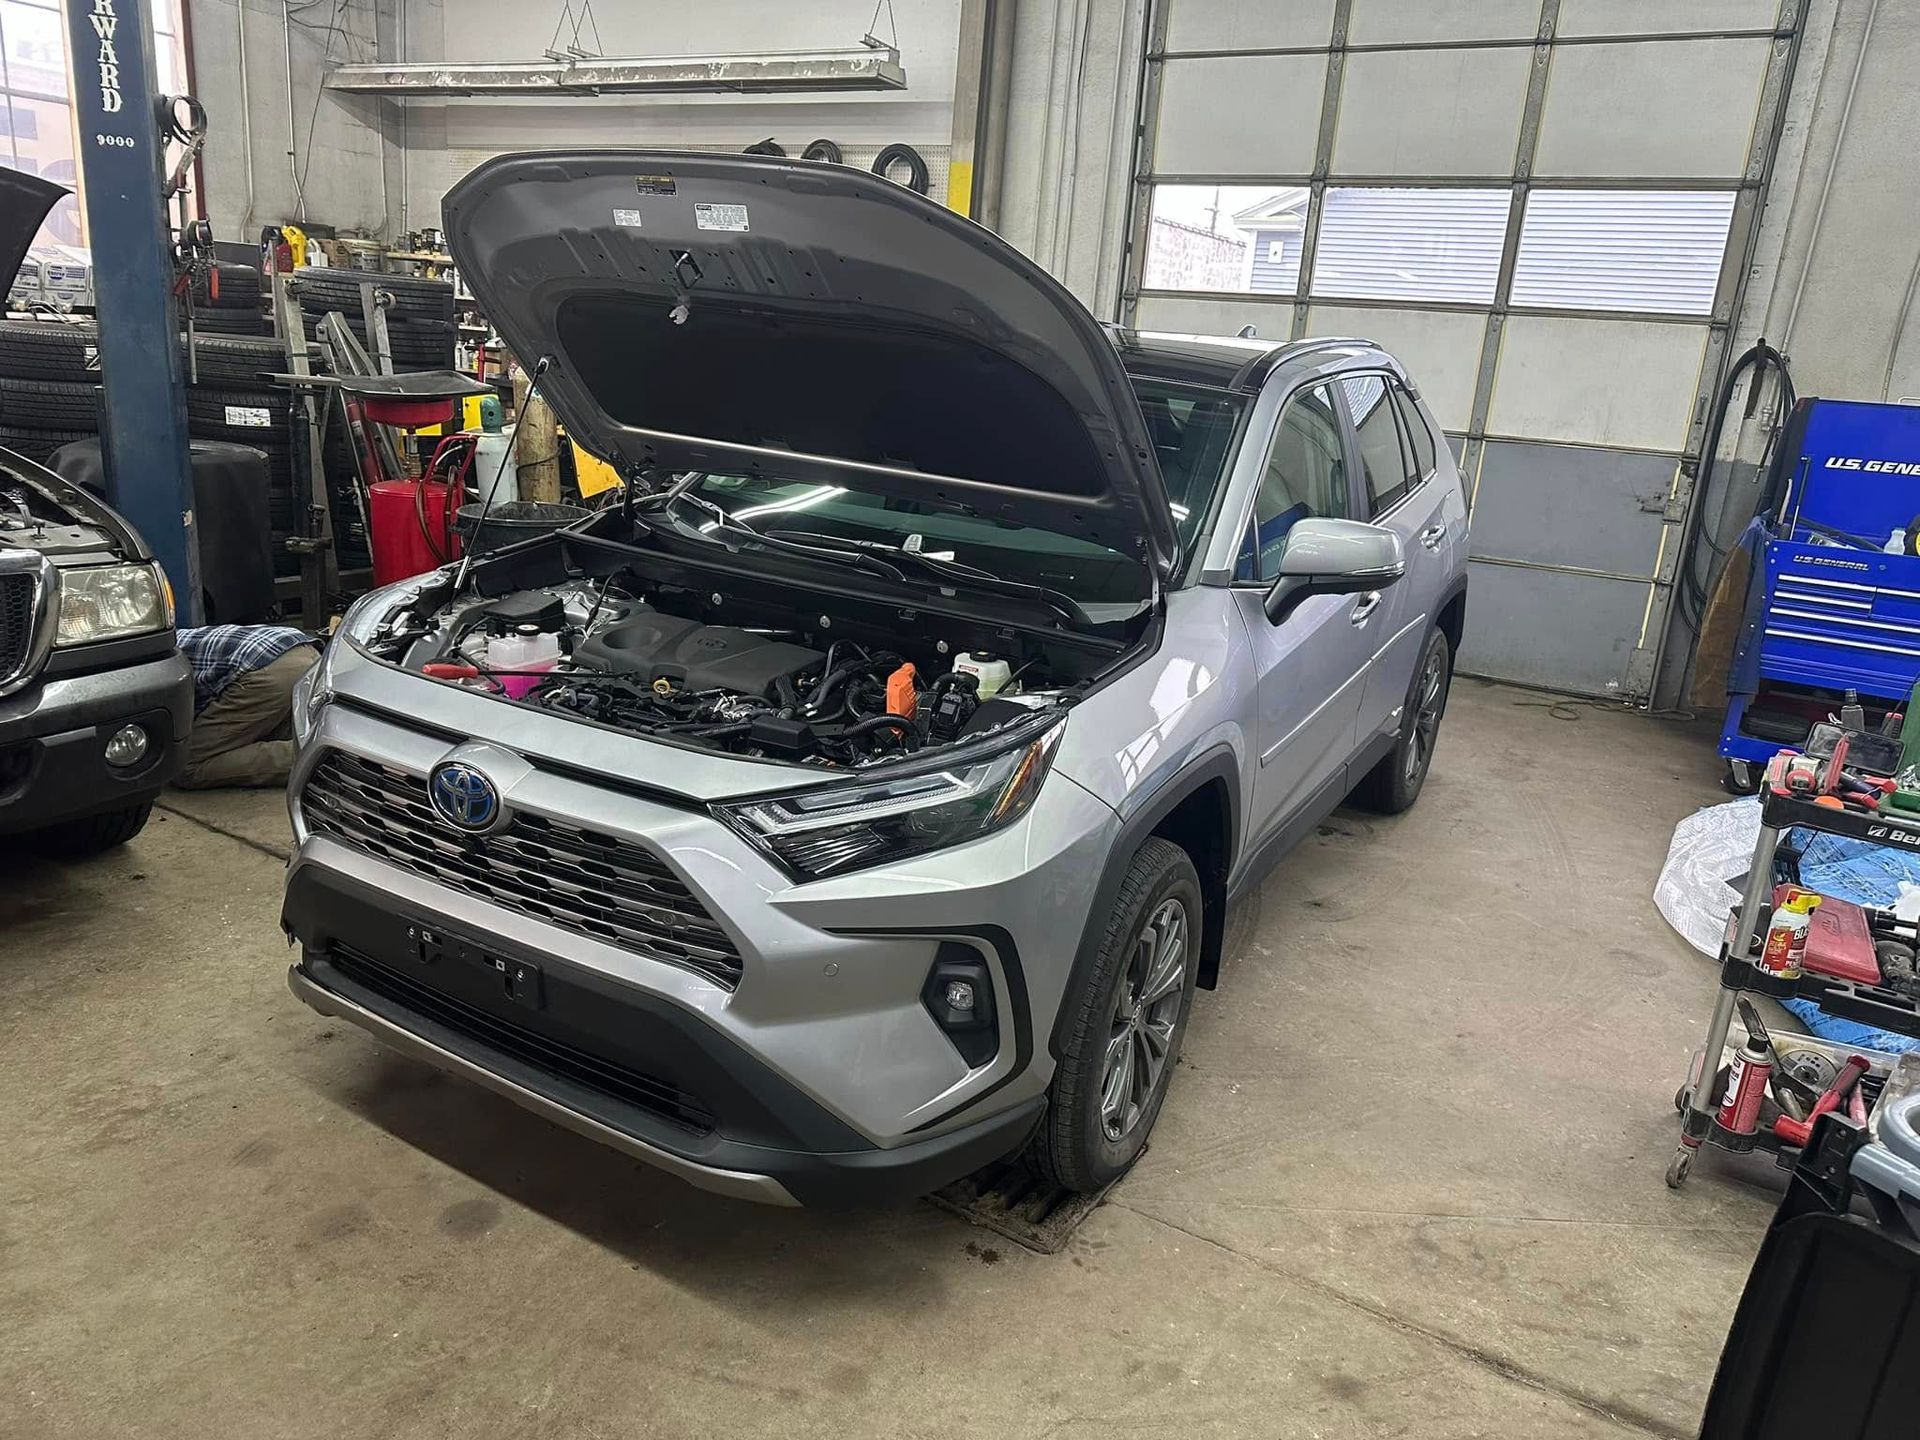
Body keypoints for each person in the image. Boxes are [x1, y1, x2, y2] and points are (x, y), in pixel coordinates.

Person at [174, 624, 319, 789]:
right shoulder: (165, 637)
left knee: (185, 764)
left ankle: (320, 759)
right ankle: (322, 746)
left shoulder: (149, 659)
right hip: (305, 651)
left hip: (266, 670)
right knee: (269, 730)